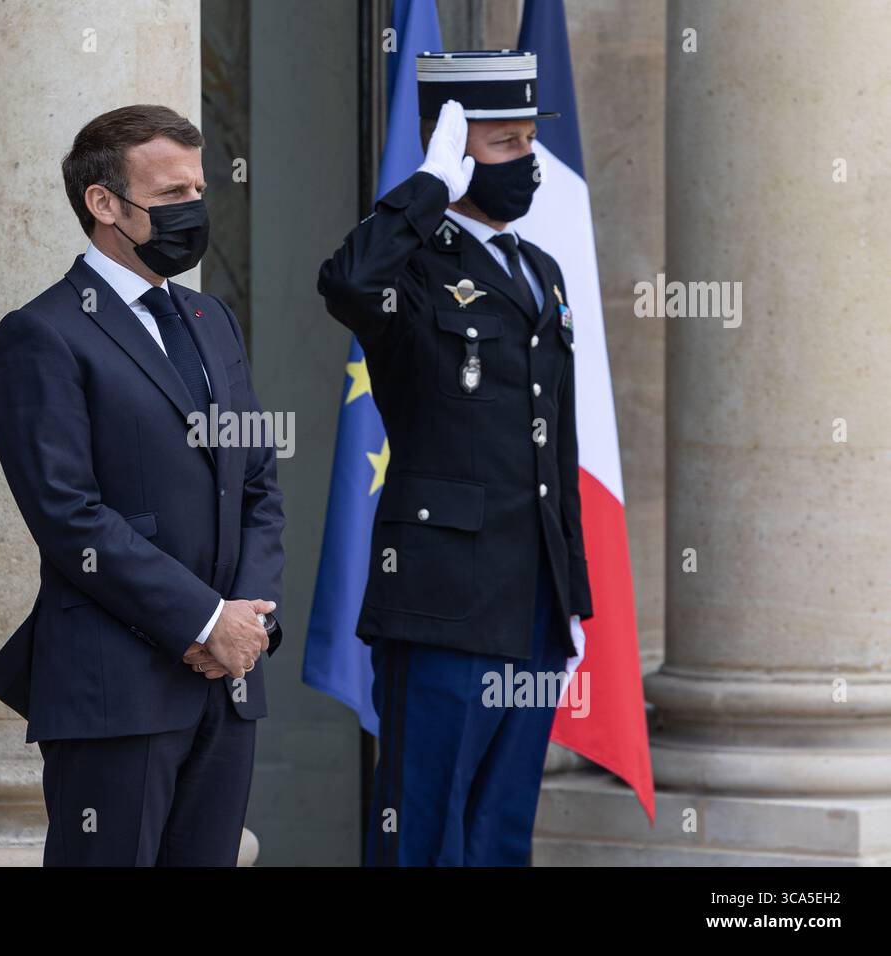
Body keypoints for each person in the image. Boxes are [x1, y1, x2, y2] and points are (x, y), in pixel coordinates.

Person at [0, 104, 285, 866]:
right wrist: (205, 620)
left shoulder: (213, 320)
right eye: (171, 194)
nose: (193, 211)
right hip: (117, 692)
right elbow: (69, 516)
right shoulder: (42, 333)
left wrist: (242, 628)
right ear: (104, 203)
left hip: (226, 684)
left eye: (198, 191)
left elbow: (257, 485)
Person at [317, 51, 592, 866]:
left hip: (535, 596)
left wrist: (570, 588)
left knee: (501, 829)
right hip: (446, 594)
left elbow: (554, 441)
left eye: (528, 141)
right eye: (504, 145)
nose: (528, 161)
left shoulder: (538, 269)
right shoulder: (413, 263)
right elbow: (347, 282)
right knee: (423, 824)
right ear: (455, 149)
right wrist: (428, 188)